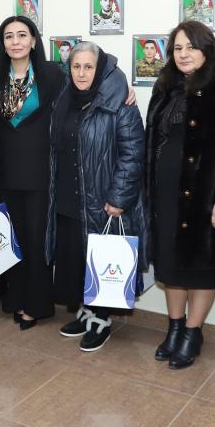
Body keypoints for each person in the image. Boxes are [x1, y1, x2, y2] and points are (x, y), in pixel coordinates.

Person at [145, 21, 215, 369]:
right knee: (171, 265)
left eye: (191, 47)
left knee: (202, 267)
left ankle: (193, 332)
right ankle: (175, 328)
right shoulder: (164, 87)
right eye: (177, 48)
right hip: (165, 196)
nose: (184, 54)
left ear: (207, 49)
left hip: (207, 198)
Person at [47, 42, 149, 352]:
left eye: (88, 67)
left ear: (100, 68)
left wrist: (118, 198)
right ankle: (87, 311)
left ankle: (102, 320)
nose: (81, 73)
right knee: (78, 260)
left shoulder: (120, 102)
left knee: (102, 260)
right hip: (68, 197)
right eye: (76, 66)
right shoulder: (64, 98)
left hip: (103, 199)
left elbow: (133, 153)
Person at [0, 16, 66, 328]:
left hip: (41, 172)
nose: (15, 42)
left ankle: (36, 305)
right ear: (2, 43)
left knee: (37, 239)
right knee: (11, 239)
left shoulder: (52, 74)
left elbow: (94, 74)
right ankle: (15, 298)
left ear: (34, 40)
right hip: (7, 171)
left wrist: (122, 88)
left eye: (22, 35)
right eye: (9, 36)